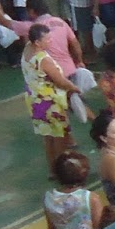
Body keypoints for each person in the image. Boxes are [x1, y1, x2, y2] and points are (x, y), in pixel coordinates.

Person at [19, 22, 80, 174]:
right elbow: (59, 80)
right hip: (50, 102)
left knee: (47, 137)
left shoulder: (27, 49)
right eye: (47, 39)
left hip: (35, 100)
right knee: (59, 138)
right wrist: (74, 87)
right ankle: (61, 170)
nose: (50, 41)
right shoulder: (43, 59)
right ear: (38, 42)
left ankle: (52, 169)